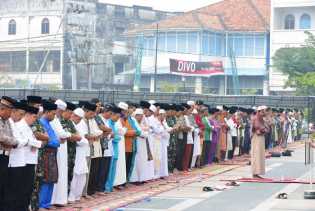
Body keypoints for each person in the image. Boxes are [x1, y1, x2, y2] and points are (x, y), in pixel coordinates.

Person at [38, 101, 60, 210]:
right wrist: (55, 142)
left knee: (51, 179)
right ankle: (41, 204)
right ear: (46, 112)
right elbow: (50, 141)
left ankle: (47, 203)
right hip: (45, 154)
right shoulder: (41, 123)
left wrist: (55, 142)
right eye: (53, 113)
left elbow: (55, 140)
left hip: (52, 154)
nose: (54, 116)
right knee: (45, 179)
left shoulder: (49, 124)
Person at [68, 108, 89, 203]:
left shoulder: (78, 125)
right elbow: (80, 140)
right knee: (75, 174)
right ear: (73, 115)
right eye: (78, 118)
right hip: (73, 153)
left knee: (82, 174)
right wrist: (81, 140)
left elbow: (83, 140)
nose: (79, 121)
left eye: (80, 119)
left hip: (81, 153)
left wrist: (81, 140)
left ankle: (77, 196)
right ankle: (71, 196)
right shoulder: (69, 124)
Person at [105, 106, 122, 192]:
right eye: (117, 117)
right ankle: (107, 187)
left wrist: (116, 137)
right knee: (108, 169)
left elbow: (116, 136)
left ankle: (110, 186)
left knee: (113, 169)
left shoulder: (114, 124)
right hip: (109, 148)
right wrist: (116, 137)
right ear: (112, 115)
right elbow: (112, 136)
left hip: (115, 149)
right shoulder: (108, 123)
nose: (117, 119)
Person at [251, 106, 269, 178]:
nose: (264, 113)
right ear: (259, 112)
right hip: (256, 138)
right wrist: (264, 129)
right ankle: (255, 173)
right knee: (256, 155)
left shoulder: (262, 119)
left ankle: (258, 172)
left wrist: (264, 128)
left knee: (260, 155)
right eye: (262, 111)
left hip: (261, 137)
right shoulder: (256, 118)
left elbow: (267, 128)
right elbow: (258, 127)